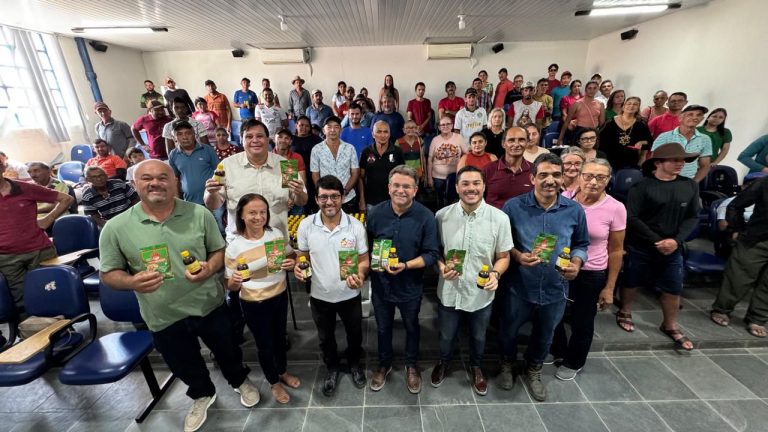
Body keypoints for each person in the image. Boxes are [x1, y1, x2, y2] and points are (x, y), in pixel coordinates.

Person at [99, 160, 259, 432]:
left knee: (228, 350)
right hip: (162, 313)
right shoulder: (116, 227)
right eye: (147, 178)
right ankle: (202, 394)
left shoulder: (199, 214)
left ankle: (239, 380)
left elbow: (218, 251)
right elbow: (108, 274)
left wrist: (211, 267)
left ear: (175, 181)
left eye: (163, 177)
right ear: (134, 184)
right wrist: (131, 281)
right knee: (183, 361)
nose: (155, 183)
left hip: (208, 304)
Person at [498, 153, 589, 400]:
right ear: (532, 178)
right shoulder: (513, 207)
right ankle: (507, 364)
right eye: (544, 175)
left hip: (555, 287)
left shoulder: (574, 210)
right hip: (519, 286)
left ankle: (534, 369)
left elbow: (581, 243)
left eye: (556, 175)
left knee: (545, 334)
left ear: (563, 178)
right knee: (508, 331)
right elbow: (503, 244)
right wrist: (518, 256)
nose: (550, 180)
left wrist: (577, 263)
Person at [432, 165, 512, 395]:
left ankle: (476, 366)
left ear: (484, 186)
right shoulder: (441, 216)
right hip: (449, 290)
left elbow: (504, 257)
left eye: (476, 183)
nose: (471, 188)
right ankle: (444, 362)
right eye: (465, 183)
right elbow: (435, 252)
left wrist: (496, 274)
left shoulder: (500, 218)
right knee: (446, 335)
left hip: (481, 292)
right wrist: (440, 267)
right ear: (457, 188)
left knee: (478, 336)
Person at [617, 143, 701, 351]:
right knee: (632, 280)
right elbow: (632, 217)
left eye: (683, 160)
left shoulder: (690, 185)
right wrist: (656, 240)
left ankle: (670, 324)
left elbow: (692, 216)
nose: (680, 163)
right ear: (658, 163)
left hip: (673, 246)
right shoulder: (642, 187)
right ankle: (625, 311)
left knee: (673, 285)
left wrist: (676, 241)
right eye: (675, 160)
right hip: (641, 244)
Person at [551, 158, 626, 380]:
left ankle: (574, 361)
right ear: (579, 176)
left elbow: (616, 250)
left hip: (591, 272)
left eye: (600, 177)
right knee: (553, 314)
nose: (593, 182)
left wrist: (609, 287)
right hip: (559, 268)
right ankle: (558, 350)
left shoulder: (615, 208)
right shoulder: (563, 198)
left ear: (608, 180)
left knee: (582, 320)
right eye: (589, 176)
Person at [367, 165, 440, 394]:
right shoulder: (375, 214)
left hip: (410, 285)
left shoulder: (426, 217)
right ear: (389, 188)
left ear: (415, 190)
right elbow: (367, 248)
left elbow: (431, 254)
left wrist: (406, 265)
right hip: (381, 285)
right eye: (396, 185)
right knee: (383, 328)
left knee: (411, 326)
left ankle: (411, 364)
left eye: (407, 186)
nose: (401, 190)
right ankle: (384, 363)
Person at [295, 175, 369, 395]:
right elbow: (302, 256)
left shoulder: (355, 226)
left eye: (334, 197)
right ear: (316, 199)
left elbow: (363, 260)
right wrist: (299, 267)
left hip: (349, 294)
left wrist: (360, 274)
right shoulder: (306, 225)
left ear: (343, 197)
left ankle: (354, 364)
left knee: (354, 334)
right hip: (320, 295)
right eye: (324, 197)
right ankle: (332, 367)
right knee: (325, 337)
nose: (329, 202)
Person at [224, 193, 301, 403]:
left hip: (279, 295)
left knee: (280, 338)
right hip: (254, 302)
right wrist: (235, 281)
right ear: (241, 215)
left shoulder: (275, 234)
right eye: (252, 213)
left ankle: (282, 372)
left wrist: (291, 263)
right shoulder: (235, 247)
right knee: (264, 344)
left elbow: (290, 256)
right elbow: (230, 284)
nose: (258, 217)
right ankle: (273, 382)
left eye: (262, 212)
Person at [204, 118, 308, 242]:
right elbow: (213, 205)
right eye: (249, 136)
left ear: (268, 139)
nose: (255, 140)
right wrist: (212, 193)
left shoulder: (286, 165)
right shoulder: (226, 166)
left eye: (260, 136)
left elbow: (302, 201)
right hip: (240, 242)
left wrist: (299, 193)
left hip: (275, 242)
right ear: (241, 140)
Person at [0, 157, 73, 324]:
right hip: (6, 257)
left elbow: (66, 199)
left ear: (3, 167)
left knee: (51, 290)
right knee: (20, 299)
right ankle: (33, 333)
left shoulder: (24, 188)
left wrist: (48, 219)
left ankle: (63, 329)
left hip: (39, 250)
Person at [711, 176, 768, 338]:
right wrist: (736, 228)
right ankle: (722, 309)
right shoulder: (764, 183)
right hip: (756, 238)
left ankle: (758, 318)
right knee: (738, 276)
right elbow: (735, 205)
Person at [310, 116, 359, 213]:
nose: (332, 130)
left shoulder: (350, 148)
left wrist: (344, 192)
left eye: (336, 127)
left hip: (348, 198)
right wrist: (323, 193)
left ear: (341, 130)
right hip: (326, 200)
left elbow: (355, 173)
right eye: (329, 127)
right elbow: (315, 175)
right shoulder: (316, 149)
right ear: (323, 130)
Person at [652, 105, 712, 182]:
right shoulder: (664, 137)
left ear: (702, 119)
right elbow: (654, 161)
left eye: (699, 115)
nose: (695, 118)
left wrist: (693, 183)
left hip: (689, 180)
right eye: (690, 114)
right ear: (680, 118)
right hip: (665, 181)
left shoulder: (705, 139)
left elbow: (705, 165)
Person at [168, 121, 219, 206]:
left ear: (194, 134)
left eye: (188, 133)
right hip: (190, 202)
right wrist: (177, 201)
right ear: (174, 138)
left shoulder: (207, 149)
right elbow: (175, 179)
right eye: (179, 134)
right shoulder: (173, 154)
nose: (185, 137)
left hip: (213, 199)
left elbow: (218, 172)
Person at [481, 126, 534, 209]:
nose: (516, 144)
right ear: (503, 144)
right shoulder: (488, 170)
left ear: (527, 143)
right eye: (511, 140)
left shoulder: (535, 170)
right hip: (493, 217)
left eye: (521, 140)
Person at [358, 121, 405, 212]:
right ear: (373, 134)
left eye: (386, 132)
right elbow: (361, 178)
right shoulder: (366, 152)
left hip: (393, 202)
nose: (383, 135)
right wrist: (362, 199)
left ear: (390, 134)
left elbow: (402, 177)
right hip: (371, 202)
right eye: (379, 132)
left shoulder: (398, 151)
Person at [599, 96, 653, 170]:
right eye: (629, 103)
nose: (631, 106)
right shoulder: (610, 122)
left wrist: (641, 143)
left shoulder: (641, 124)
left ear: (638, 108)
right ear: (624, 106)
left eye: (635, 104)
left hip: (631, 163)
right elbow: (600, 140)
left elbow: (649, 141)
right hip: (609, 163)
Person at [427, 116, 466, 209]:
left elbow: (466, 154)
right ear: (439, 127)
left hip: (455, 176)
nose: (445, 126)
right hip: (437, 177)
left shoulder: (459, 137)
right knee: (439, 202)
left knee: (452, 202)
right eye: (443, 125)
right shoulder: (435, 140)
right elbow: (430, 159)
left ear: (452, 125)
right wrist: (429, 178)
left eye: (448, 124)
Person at [291, 116, 323, 212]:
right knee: (298, 202)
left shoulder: (316, 139)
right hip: (295, 174)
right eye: (301, 125)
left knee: (315, 199)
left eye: (307, 126)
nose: (304, 128)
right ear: (296, 125)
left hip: (314, 173)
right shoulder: (291, 139)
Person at [273, 128, 307, 215]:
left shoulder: (295, 157)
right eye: (280, 137)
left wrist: (291, 199)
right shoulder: (267, 157)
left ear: (290, 142)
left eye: (286, 138)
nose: (283, 140)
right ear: (274, 139)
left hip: (293, 198)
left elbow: (301, 183)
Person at [560, 81, 604, 146]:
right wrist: (560, 139)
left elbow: (602, 123)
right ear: (586, 89)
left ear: (597, 89)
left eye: (594, 88)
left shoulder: (600, 104)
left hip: (594, 133)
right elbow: (567, 122)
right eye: (589, 88)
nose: (592, 90)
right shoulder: (577, 104)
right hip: (579, 132)